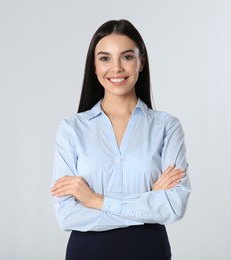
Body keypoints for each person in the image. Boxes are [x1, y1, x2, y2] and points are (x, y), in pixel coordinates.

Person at [50, 19, 191, 260]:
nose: (116, 68)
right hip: (87, 252)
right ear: (94, 66)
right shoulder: (72, 129)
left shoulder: (166, 127)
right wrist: (149, 201)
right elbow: (67, 216)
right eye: (105, 58)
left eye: (126, 57)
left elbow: (172, 207)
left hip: (149, 251)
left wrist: (96, 200)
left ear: (141, 61)